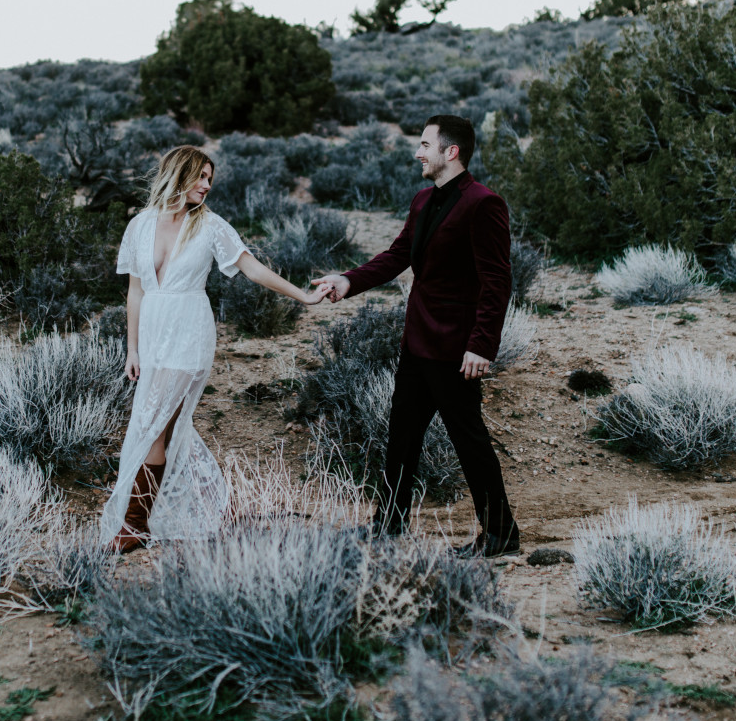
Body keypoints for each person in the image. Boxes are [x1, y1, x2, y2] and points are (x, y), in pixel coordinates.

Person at [100, 145, 331, 552]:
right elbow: (135, 292)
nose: (207, 185)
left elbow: (252, 268)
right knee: (164, 430)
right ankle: (204, 506)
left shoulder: (210, 226)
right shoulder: (139, 225)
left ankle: (134, 526)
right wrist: (132, 349)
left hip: (188, 334)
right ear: (178, 174)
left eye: (210, 178)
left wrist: (304, 297)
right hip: (152, 336)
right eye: (200, 176)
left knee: (152, 426)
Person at [312, 114, 520, 557]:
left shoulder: (484, 204)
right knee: (401, 436)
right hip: (417, 342)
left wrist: (482, 344)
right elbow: (397, 255)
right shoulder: (423, 200)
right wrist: (349, 281)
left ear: (451, 151)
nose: (417, 152)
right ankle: (389, 523)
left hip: (457, 351)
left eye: (424, 145)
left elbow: (497, 282)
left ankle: (501, 534)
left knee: (469, 440)